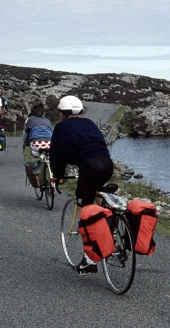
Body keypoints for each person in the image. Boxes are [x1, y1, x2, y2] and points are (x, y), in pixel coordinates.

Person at [50, 95, 113, 275]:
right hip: (107, 164)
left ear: (62, 113)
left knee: (83, 207)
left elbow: (56, 154)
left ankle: (89, 260)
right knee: (96, 192)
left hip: (88, 166)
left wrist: (59, 175)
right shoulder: (89, 123)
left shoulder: (61, 127)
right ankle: (109, 224)